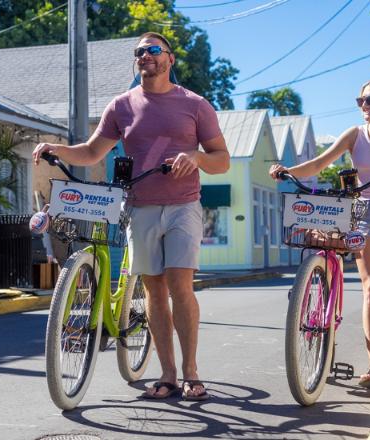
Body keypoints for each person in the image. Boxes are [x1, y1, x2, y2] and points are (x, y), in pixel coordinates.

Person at [32, 32, 230, 401]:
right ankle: (168, 374)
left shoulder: (195, 104)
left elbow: (222, 159)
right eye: (139, 52)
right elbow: (92, 152)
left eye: (154, 50)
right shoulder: (122, 106)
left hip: (183, 205)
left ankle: (191, 372)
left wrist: (198, 158)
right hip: (139, 207)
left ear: (170, 59)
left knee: (179, 285)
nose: (146, 56)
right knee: (154, 290)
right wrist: (56, 148)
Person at [269, 77, 370, 392]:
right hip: (364, 213)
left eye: (369, 100)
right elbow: (318, 164)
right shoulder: (354, 136)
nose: (363, 106)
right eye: (360, 101)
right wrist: (286, 170)